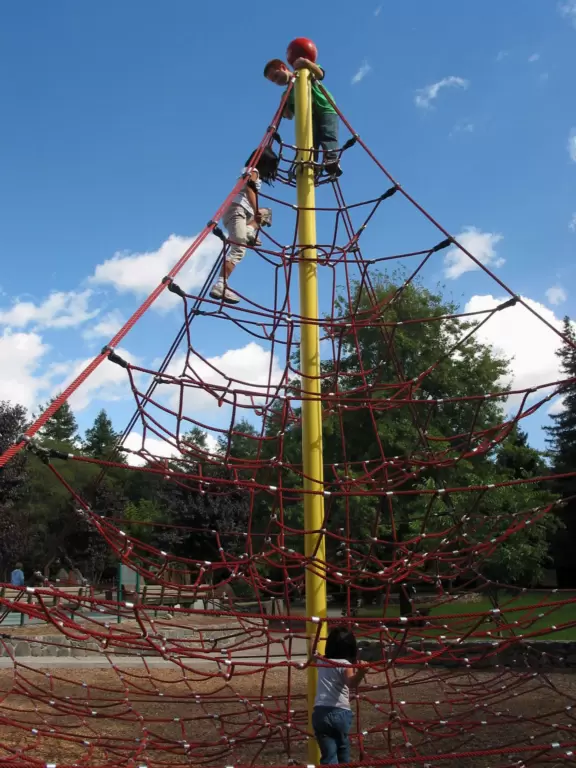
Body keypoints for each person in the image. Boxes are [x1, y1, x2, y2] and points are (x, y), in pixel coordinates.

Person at [209, 146, 278, 304]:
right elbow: (249, 189)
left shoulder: (255, 173)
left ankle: (249, 231)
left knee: (267, 212)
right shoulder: (252, 170)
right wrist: (256, 211)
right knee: (239, 247)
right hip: (237, 211)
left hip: (243, 213)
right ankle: (221, 285)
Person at [264, 57, 342, 178]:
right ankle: (312, 168)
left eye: (276, 76)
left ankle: (331, 160)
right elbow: (289, 115)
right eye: (273, 81)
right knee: (311, 143)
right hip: (309, 119)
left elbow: (320, 74)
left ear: (283, 67)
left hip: (325, 109)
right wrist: (283, 108)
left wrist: (307, 63)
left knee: (328, 134)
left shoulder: (303, 71)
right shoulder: (287, 94)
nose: (276, 81)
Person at [312, 626, 368, 765]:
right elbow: (351, 683)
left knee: (329, 755)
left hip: (320, 714)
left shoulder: (322, 661)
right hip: (340, 713)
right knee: (343, 748)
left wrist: (314, 637)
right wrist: (361, 673)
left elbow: (313, 654)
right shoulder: (345, 664)